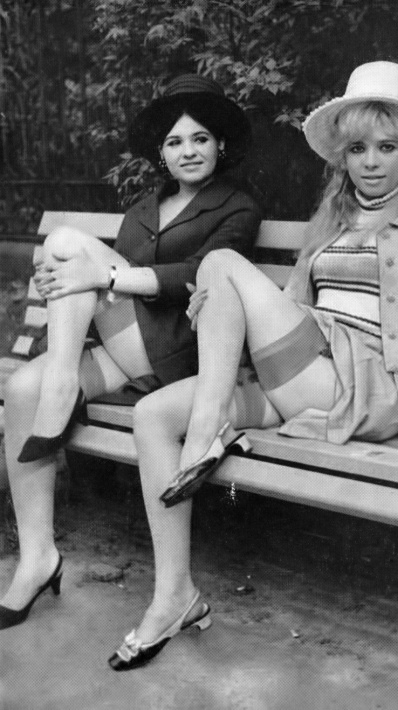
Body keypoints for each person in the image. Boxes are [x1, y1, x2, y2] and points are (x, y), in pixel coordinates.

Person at [106, 61, 398, 671]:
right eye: (357, 149)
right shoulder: (330, 225)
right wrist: (221, 310)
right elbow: (293, 310)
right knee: (152, 415)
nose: (370, 162)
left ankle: (208, 431)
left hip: (361, 386)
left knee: (220, 263)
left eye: (387, 147)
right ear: (342, 157)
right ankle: (174, 596)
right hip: (300, 375)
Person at [0, 74, 261, 629]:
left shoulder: (238, 207)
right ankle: (37, 557)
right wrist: (68, 283)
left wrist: (99, 274)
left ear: (220, 144)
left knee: (65, 242)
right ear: (161, 153)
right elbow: (100, 290)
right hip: (125, 350)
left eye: (200, 138)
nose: (187, 151)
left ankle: (62, 387)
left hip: (179, 356)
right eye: (174, 141)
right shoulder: (143, 208)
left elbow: (198, 276)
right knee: (21, 389)